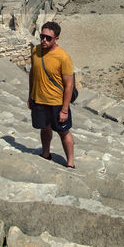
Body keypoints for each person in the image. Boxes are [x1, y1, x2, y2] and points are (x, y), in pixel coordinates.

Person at [28, 20, 75, 168]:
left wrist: (64, 110)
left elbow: (69, 85)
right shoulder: (35, 51)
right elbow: (32, 73)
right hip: (39, 100)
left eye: (48, 38)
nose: (44, 40)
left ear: (56, 39)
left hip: (56, 102)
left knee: (63, 132)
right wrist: (30, 96)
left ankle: (70, 163)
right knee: (44, 128)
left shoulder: (63, 57)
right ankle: (46, 154)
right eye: (42, 36)